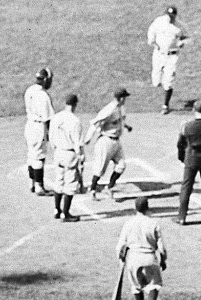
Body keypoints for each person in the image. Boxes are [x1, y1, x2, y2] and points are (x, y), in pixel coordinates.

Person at [115, 196, 168, 300]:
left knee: (136, 286)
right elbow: (161, 248)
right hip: (149, 257)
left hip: (133, 258)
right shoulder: (154, 223)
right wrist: (163, 260)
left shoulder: (128, 223)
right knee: (154, 284)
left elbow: (120, 246)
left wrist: (120, 258)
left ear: (135, 208)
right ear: (147, 207)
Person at [84, 87, 133, 199]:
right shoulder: (109, 110)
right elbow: (95, 123)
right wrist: (88, 138)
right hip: (105, 142)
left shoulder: (121, 108)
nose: (125, 99)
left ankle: (109, 187)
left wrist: (127, 126)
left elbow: (120, 120)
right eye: (124, 97)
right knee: (100, 169)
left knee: (121, 166)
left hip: (116, 142)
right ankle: (92, 190)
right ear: (120, 98)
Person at [48, 93, 84, 222]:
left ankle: (57, 210)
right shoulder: (75, 121)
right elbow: (78, 144)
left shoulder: (56, 117)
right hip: (69, 154)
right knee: (70, 184)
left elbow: (51, 137)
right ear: (75, 104)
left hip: (58, 152)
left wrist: (56, 149)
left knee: (59, 181)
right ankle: (66, 213)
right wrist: (81, 158)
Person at [147, 5, 188, 114]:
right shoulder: (158, 22)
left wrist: (181, 43)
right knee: (156, 82)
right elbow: (151, 34)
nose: (170, 18)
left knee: (168, 82)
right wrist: (154, 44)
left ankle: (165, 105)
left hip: (172, 57)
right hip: (159, 55)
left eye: (172, 16)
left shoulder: (177, 27)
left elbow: (182, 38)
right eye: (169, 15)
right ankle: (161, 83)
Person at [23, 67, 56, 195]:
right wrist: (51, 135)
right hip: (38, 128)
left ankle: (32, 183)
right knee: (39, 156)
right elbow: (48, 118)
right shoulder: (43, 95)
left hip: (29, 125)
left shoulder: (29, 90)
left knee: (32, 154)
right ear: (45, 80)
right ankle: (39, 186)